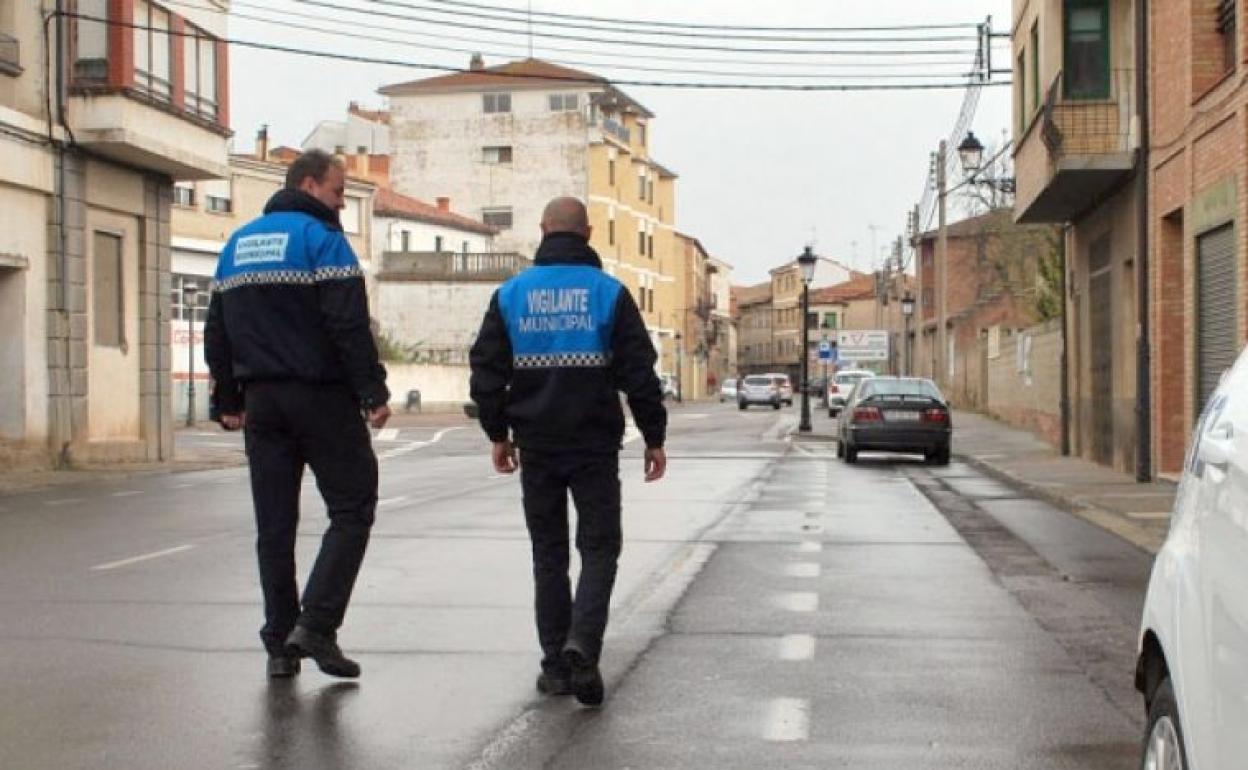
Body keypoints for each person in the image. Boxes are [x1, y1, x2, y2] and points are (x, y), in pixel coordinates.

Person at [469, 197, 667, 706]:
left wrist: (498, 432)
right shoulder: (609, 294)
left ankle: (556, 664)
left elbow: (486, 371)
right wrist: (654, 436)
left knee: (549, 555)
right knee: (600, 549)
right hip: (594, 444)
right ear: (588, 232)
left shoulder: (511, 294)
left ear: (542, 229)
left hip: (536, 444)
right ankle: (585, 642)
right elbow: (639, 373)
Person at [204, 149, 391, 680]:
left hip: (263, 403)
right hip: (321, 397)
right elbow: (347, 324)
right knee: (353, 507)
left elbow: (216, 329)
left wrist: (228, 401)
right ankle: (317, 624)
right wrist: (372, 391)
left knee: (274, 525)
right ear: (310, 186)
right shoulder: (323, 242)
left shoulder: (237, 246)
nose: (340, 203)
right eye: (338, 192)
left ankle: (280, 645)